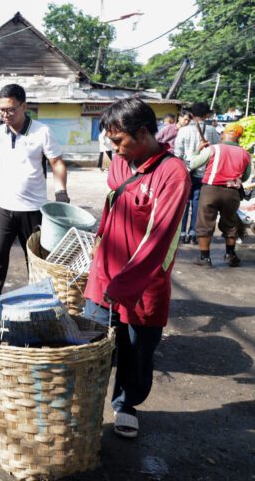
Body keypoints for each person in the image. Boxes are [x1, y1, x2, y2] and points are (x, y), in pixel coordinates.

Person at [83, 97, 190, 439]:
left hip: (143, 282)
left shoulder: (172, 173)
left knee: (136, 349)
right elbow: (114, 201)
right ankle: (84, 403)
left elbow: (158, 239)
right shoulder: (119, 161)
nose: (114, 149)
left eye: (118, 141)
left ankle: (126, 404)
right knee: (90, 343)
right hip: (105, 272)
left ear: (143, 132)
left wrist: (124, 284)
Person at [0, 83, 68, 310]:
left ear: (24, 106)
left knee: (37, 261)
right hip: (2, 207)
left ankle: (41, 305)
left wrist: (61, 191)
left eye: (10, 110)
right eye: (1, 110)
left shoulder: (42, 132)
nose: (5, 115)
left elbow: (56, 162)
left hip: (33, 209)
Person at [190, 123, 251, 267]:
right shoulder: (245, 154)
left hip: (210, 190)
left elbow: (193, 164)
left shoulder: (213, 149)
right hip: (232, 193)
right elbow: (246, 176)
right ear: (239, 138)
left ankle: (205, 258)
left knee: (205, 223)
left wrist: (197, 151)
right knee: (231, 224)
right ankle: (230, 254)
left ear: (223, 134)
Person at [175, 102, 220, 244]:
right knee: (197, 203)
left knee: (184, 203)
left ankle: (181, 233)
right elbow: (216, 151)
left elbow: (178, 153)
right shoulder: (212, 131)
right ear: (207, 115)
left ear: (191, 115)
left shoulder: (183, 131)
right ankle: (194, 232)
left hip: (185, 171)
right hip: (203, 172)